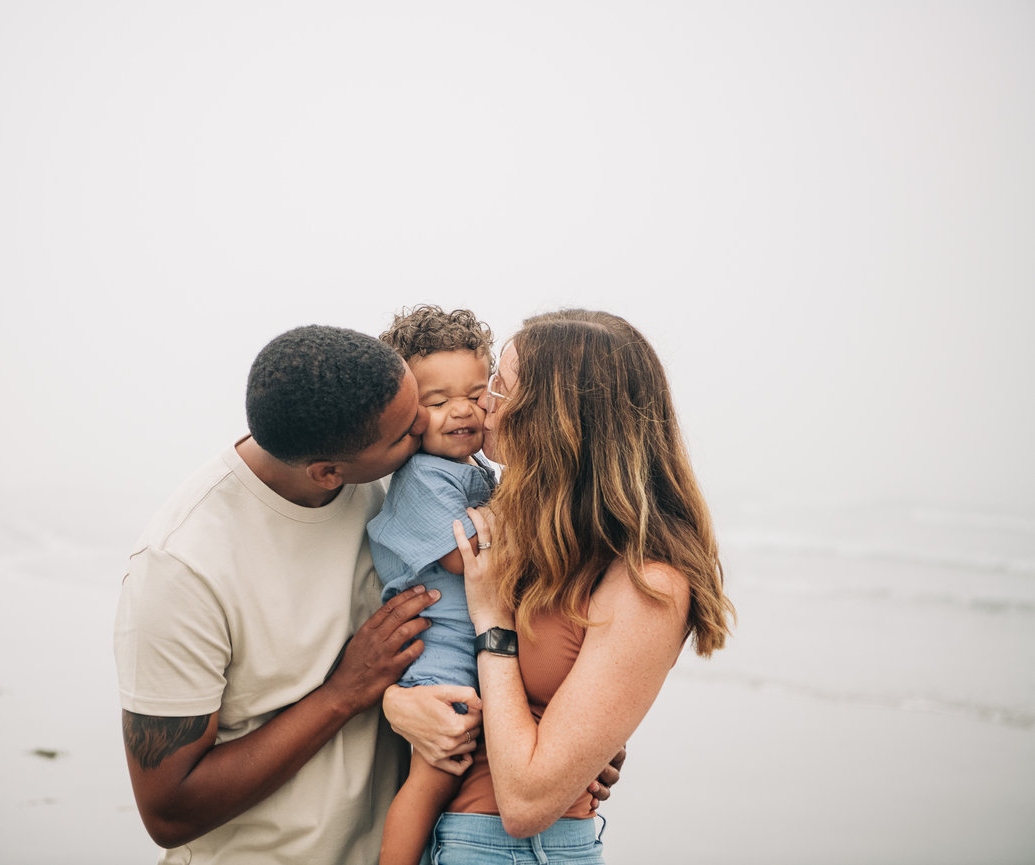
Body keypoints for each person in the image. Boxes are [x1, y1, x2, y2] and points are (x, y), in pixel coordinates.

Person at [113, 324, 481, 865]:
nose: (428, 424)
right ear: (328, 472)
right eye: (407, 428)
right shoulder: (181, 566)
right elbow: (169, 812)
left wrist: (560, 736)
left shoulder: (399, 477)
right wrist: (344, 693)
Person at [431, 309, 736, 862]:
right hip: (434, 833)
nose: (483, 404)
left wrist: (494, 621)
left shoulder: (648, 583)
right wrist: (393, 704)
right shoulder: (511, 522)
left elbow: (526, 802)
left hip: (513, 851)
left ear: (556, 417)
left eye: (499, 385)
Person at [367, 306, 499, 865]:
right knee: (433, 779)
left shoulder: (475, 472)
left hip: (470, 645)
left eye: (476, 392)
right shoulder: (422, 477)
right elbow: (460, 555)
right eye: (438, 401)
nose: (462, 410)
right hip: (440, 653)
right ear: (405, 412)